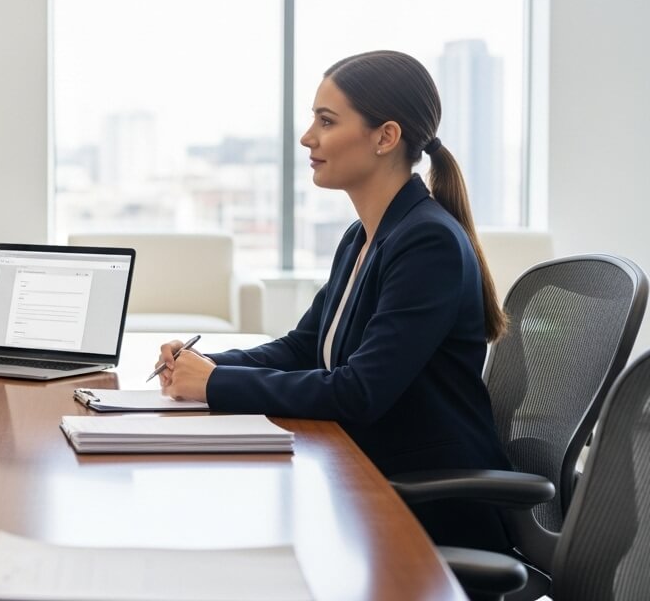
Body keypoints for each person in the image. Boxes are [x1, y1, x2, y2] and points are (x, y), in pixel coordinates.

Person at [156, 50, 511, 551]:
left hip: (426, 505)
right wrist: (206, 364)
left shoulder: (427, 243)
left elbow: (359, 392)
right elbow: (303, 347)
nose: (308, 137)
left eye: (326, 121)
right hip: (366, 479)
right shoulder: (363, 235)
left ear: (385, 137)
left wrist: (215, 384)